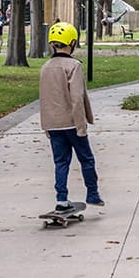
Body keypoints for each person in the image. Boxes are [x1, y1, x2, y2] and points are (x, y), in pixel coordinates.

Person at [39, 21, 103, 213]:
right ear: (72, 42)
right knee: (87, 159)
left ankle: (61, 199)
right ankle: (92, 193)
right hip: (72, 123)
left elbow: (44, 98)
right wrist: (81, 125)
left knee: (60, 162)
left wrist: (46, 126)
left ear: (52, 43)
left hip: (53, 124)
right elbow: (76, 98)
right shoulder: (73, 66)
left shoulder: (46, 67)